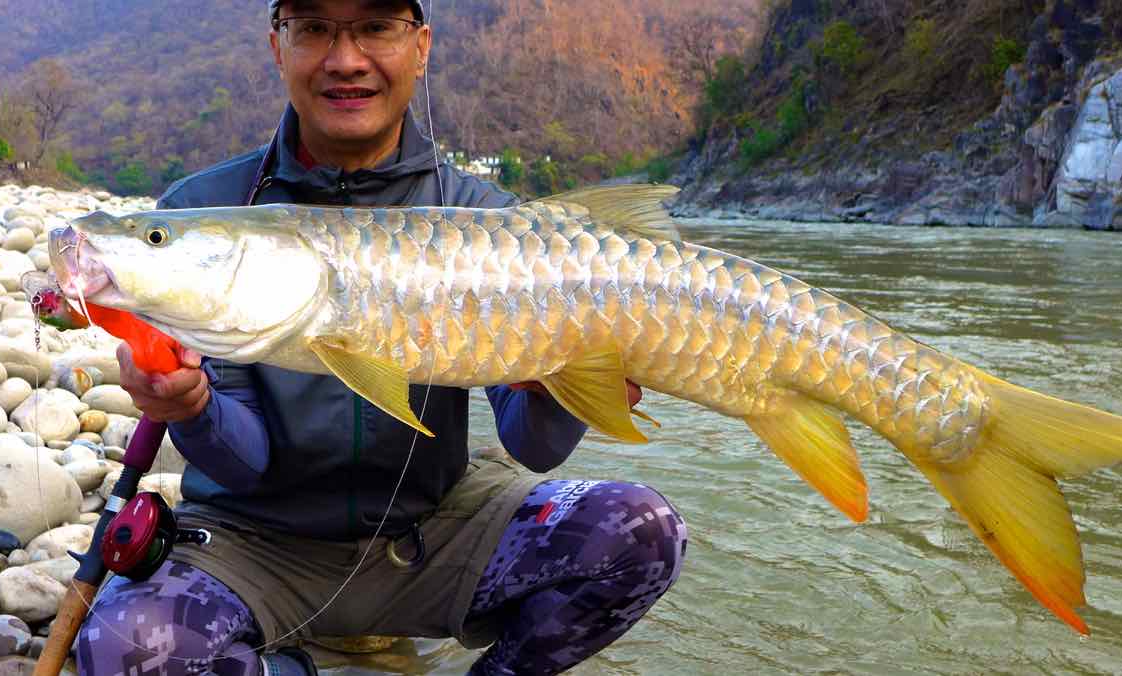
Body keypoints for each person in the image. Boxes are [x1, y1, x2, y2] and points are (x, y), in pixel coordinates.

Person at [74, 1, 688, 674]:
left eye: (375, 27)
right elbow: (244, 463)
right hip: (256, 548)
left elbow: (531, 445)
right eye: (314, 29)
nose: (346, 59)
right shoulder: (204, 209)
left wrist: (580, 381)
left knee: (642, 532)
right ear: (279, 47)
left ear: (420, 47)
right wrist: (188, 408)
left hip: (436, 536)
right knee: (125, 647)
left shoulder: (491, 222)